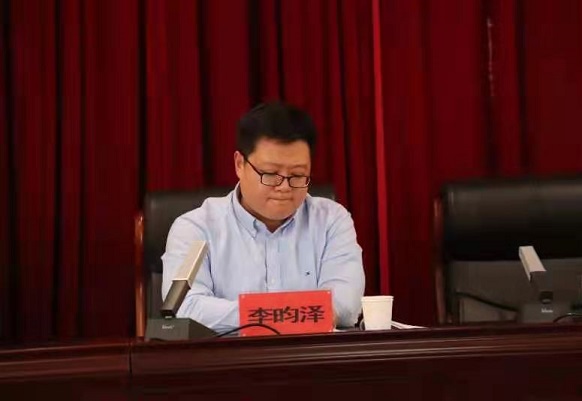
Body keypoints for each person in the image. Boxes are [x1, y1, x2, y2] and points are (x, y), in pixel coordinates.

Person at [161, 101, 365, 332]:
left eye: (298, 175)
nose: (284, 187)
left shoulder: (331, 221)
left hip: (310, 353)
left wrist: (263, 315)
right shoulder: (195, 228)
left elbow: (345, 305)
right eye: (270, 174)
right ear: (239, 164)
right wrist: (285, 315)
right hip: (229, 354)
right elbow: (186, 308)